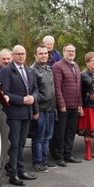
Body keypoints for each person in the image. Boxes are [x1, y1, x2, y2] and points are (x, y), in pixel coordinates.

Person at [0, 45, 39, 186]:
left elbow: (35, 89)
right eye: (18, 54)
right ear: (13, 55)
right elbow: (5, 93)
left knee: (22, 143)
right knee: (14, 145)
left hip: (27, 112)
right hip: (14, 113)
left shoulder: (29, 70)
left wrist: (33, 98)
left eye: (23, 54)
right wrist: (22, 100)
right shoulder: (7, 70)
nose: (21, 56)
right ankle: (13, 173)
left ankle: (21, 170)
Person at [51, 43, 83, 167]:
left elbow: (78, 87)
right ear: (63, 52)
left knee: (70, 132)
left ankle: (68, 154)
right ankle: (59, 157)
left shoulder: (76, 66)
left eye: (73, 51)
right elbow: (57, 87)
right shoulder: (58, 66)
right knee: (60, 132)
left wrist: (80, 104)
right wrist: (61, 104)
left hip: (74, 105)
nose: (71, 53)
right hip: (63, 106)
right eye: (69, 51)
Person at [30, 43, 56, 171]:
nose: (44, 56)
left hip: (50, 109)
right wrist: (35, 111)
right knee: (38, 138)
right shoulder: (32, 71)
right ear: (35, 55)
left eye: (45, 53)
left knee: (47, 137)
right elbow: (33, 92)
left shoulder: (49, 69)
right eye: (41, 53)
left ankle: (44, 161)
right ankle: (37, 162)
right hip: (40, 110)